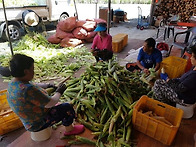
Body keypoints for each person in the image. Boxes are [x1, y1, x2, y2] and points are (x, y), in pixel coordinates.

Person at [7, 54, 84, 135]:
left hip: (28, 120)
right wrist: (59, 92)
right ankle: (70, 129)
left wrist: (47, 85)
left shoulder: (14, 82)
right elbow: (51, 103)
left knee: (58, 104)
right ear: (26, 71)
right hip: (37, 123)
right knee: (67, 108)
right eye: (32, 69)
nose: (34, 71)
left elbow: (33, 84)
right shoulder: (27, 90)